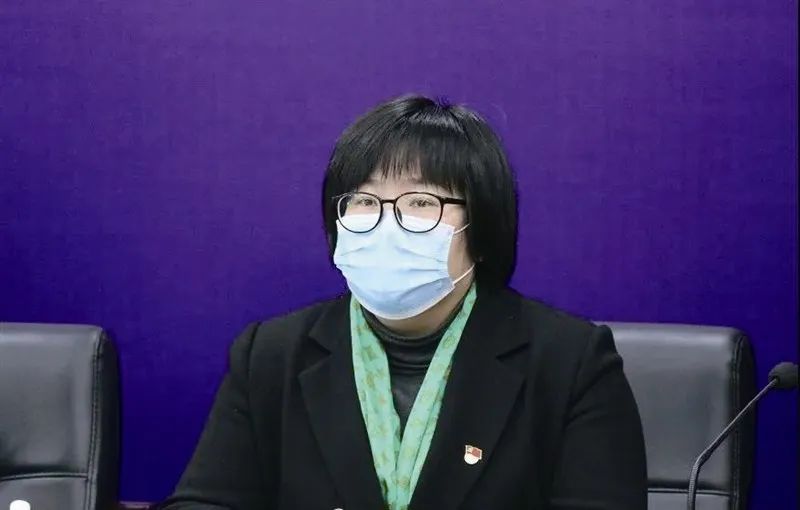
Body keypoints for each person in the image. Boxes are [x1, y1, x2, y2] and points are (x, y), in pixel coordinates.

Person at [160, 95, 647, 509]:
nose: (386, 223)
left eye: (420, 202)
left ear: (481, 227)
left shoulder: (569, 362)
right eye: (364, 201)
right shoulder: (271, 355)